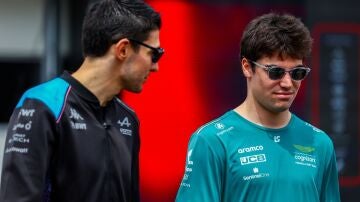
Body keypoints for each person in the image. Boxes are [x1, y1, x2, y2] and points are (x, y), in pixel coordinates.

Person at [0, 0, 163, 201]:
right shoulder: (42, 105)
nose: (156, 67)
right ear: (123, 49)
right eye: (154, 54)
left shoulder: (128, 119)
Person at [176, 12, 340, 202]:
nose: (287, 83)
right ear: (247, 67)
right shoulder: (212, 140)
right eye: (275, 72)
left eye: (297, 73)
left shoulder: (320, 143)